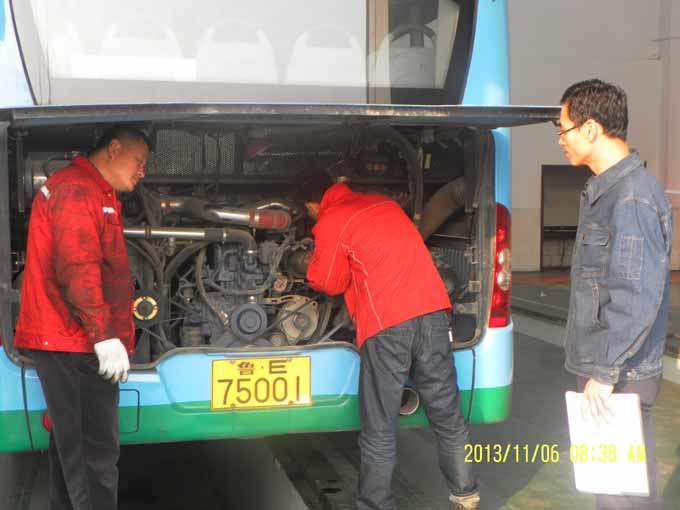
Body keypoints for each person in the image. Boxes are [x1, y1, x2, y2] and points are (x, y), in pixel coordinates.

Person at [300, 172, 480, 510]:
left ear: (313, 203)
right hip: (433, 313)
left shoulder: (331, 218)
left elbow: (328, 281)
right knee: (447, 416)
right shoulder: (385, 206)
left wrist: (308, 268)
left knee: (379, 427)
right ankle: (466, 495)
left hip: (387, 323)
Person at [15, 125, 150, 510]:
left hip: (71, 339)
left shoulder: (92, 190)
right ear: (114, 149)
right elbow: (77, 267)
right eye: (139, 161)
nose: (143, 172)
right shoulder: (77, 189)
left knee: (70, 452)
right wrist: (103, 336)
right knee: (93, 456)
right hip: (73, 342)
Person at [558, 79, 673, 510]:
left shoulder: (631, 198)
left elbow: (636, 294)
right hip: (612, 369)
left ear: (590, 128)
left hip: (620, 374)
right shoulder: (607, 192)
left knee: (615, 494)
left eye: (564, 129)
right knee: (626, 490)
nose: (561, 139)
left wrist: (605, 374)